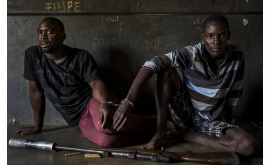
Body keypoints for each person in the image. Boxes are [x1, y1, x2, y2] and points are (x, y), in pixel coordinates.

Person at [112, 14, 257, 156]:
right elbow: (151, 64)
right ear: (203, 37)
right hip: (187, 115)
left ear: (229, 35)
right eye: (210, 36)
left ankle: (189, 136)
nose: (216, 42)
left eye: (222, 35)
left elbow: (235, 93)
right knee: (166, 71)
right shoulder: (191, 54)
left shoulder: (237, 56)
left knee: (248, 145)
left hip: (212, 121)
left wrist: (230, 125)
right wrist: (128, 102)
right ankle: (161, 132)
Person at [16, 17, 156, 147]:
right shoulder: (32, 56)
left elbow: (96, 83)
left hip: (94, 102)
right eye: (40, 32)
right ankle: (152, 134)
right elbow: (35, 92)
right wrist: (37, 127)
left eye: (50, 32)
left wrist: (105, 103)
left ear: (63, 37)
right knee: (106, 141)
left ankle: (157, 123)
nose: (43, 36)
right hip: (77, 118)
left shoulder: (80, 56)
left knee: (106, 126)